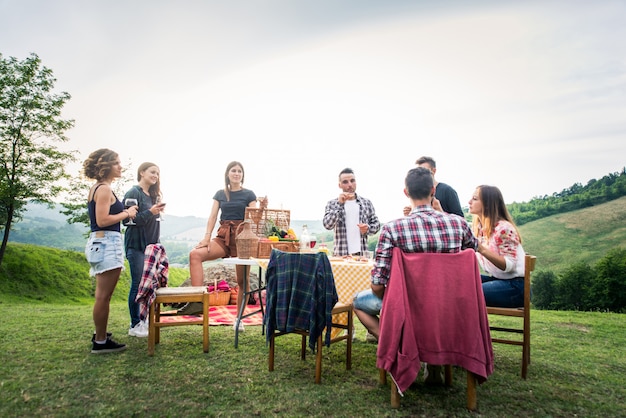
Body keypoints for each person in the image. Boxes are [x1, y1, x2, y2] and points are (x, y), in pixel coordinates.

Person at [353, 167, 478, 342]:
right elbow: (474, 251)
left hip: (406, 304)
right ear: (433, 191)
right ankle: (433, 355)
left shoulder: (392, 229)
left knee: (357, 302)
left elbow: (377, 284)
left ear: (406, 192)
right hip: (448, 304)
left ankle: (397, 345)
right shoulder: (460, 224)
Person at [187, 161, 266, 331]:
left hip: (242, 239)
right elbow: (212, 216)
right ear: (228, 174)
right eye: (233, 170)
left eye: (239, 171)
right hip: (223, 235)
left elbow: (255, 219)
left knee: (241, 281)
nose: (237, 173)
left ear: (242, 175)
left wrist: (259, 207)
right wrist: (207, 238)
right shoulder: (220, 194)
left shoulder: (249, 194)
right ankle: (197, 301)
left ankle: (239, 319)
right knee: (195, 255)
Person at [83, 148, 138, 354]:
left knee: (102, 295)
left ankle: (101, 333)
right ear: (105, 166)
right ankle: (100, 341)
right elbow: (102, 220)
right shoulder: (104, 189)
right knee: (103, 296)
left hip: (100, 242)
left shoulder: (97, 188)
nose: (120, 166)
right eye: (116, 163)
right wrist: (127, 212)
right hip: (107, 242)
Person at [123, 162, 166, 338]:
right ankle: (135, 324)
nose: (155, 176)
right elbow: (127, 221)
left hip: (151, 247)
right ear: (142, 172)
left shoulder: (152, 195)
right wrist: (151, 212)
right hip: (137, 245)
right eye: (152, 172)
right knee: (138, 284)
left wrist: (155, 213)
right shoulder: (134, 193)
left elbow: (150, 219)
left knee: (149, 285)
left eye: (157, 173)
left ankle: (144, 319)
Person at [468, 185, 526, 308]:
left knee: (468, 292)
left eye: (475, 199)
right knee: (459, 284)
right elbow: (458, 225)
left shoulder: (503, 228)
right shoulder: (478, 229)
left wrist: (480, 248)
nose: (469, 202)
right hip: (497, 280)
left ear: (488, 204)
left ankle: (473, 327)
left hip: (516, 287)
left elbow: (509, 266)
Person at [323, 168, 380, 256]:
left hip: (362, 255)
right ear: (339, 185)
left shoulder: (366, 203)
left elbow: (376, 225)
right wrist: (339, 204)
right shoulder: (332, 204)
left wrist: (367, 228)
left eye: (352, 181)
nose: (350, 184)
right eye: (345, 182)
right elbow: (327, 225)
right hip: (341, 255)